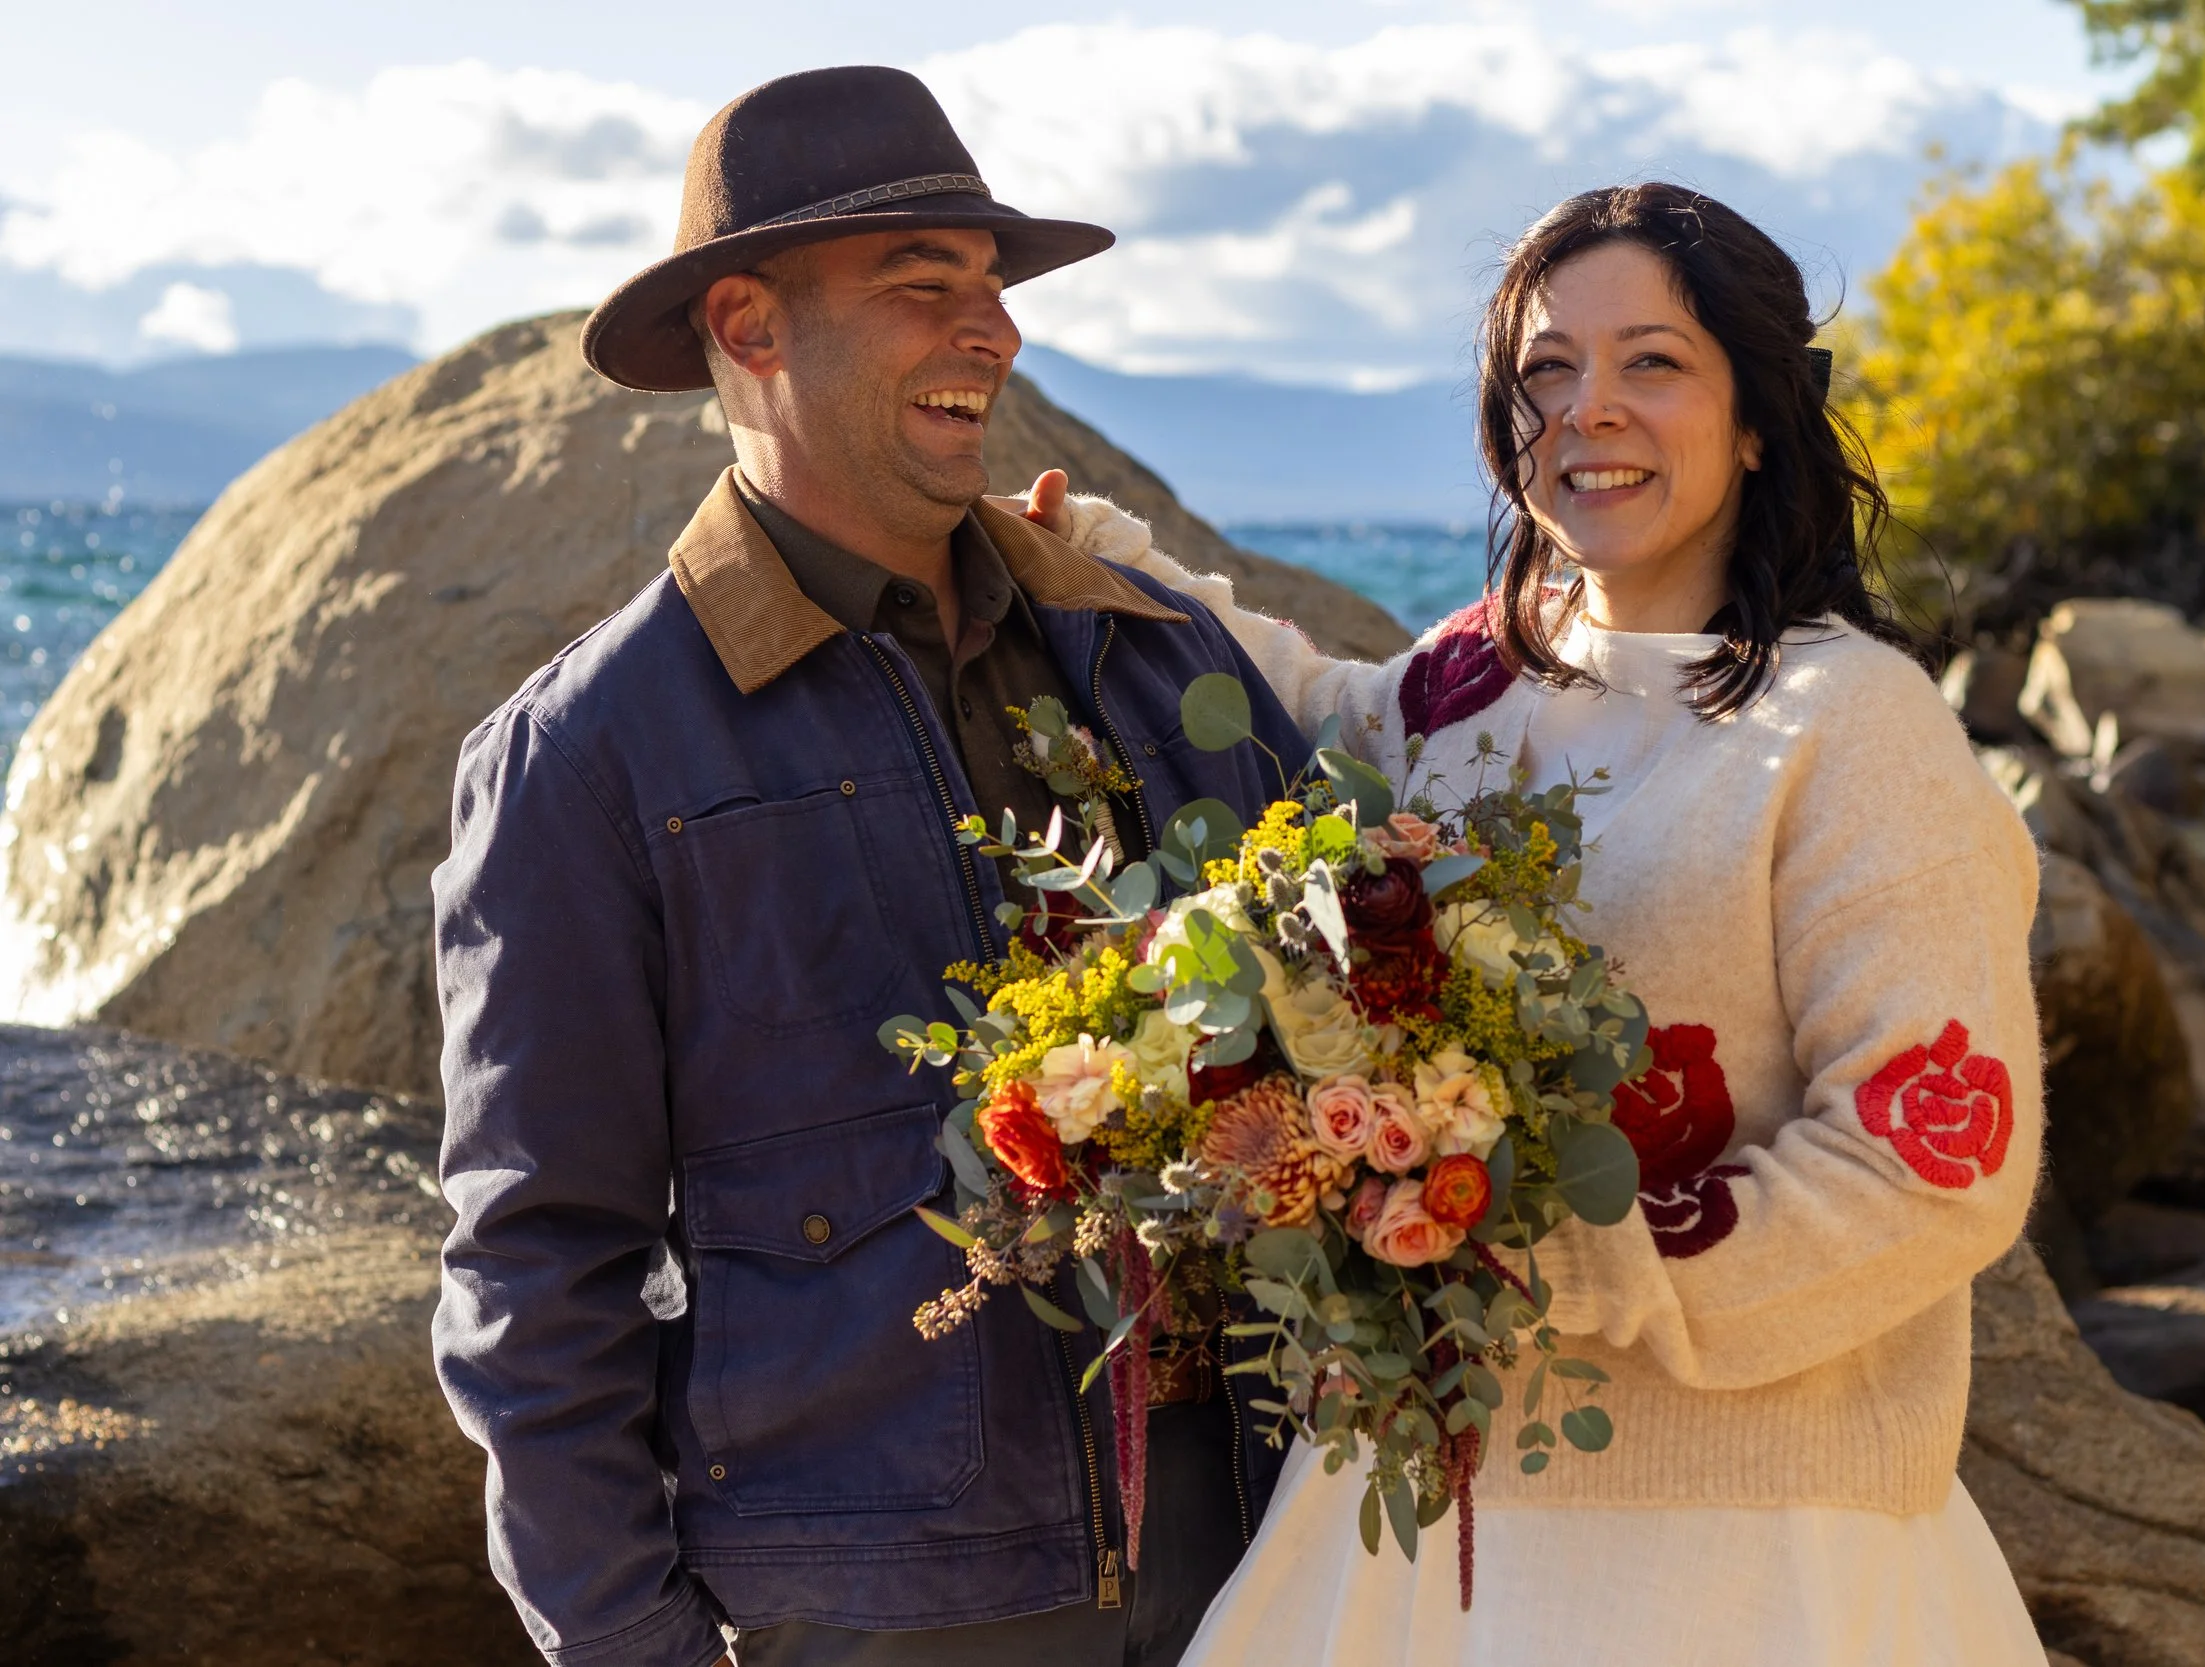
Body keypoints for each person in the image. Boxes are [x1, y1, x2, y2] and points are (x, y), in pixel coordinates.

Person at [1006, 182, 2050, 1665]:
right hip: (1418, 1517)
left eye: (1653, 365)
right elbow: (1315, 709)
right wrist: (1092, 555)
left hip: (1747, 1557)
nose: (1587, 411)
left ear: (1757, 416)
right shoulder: (1480, 681)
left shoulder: (1854, 727)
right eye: (1545, 372)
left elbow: (1935, 1165)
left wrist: (1563, 1262)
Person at [429, 67, 1304, 1667]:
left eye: (992, 289)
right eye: (927, 288)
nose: (997, 332)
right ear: (752, 327)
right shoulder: (587, 761)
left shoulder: (1151, 657)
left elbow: (1349, 976)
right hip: (885, 1612)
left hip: (1257, 1553)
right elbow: (539, 1271)